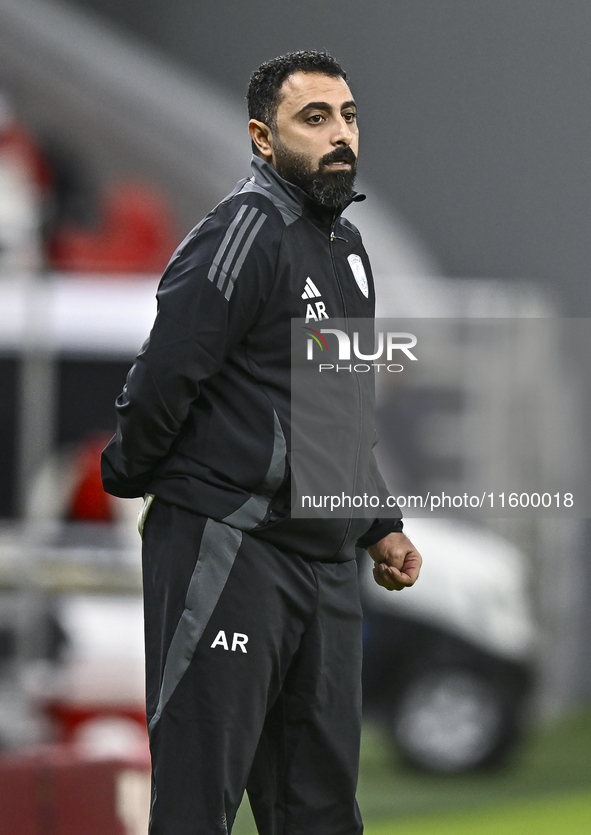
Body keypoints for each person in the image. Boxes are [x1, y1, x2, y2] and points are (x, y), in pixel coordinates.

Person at [102, 50, 422, 835]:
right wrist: (138, 474)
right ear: (261, 136)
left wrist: (378, 521)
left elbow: (336, 409)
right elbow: (164, 375)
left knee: (318, 810)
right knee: (196, 800)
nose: (339, 134)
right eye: (314, 119)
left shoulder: (346, 249)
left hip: (322, 567)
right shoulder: (240, 234)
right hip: (231, 548)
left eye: (347, 116)